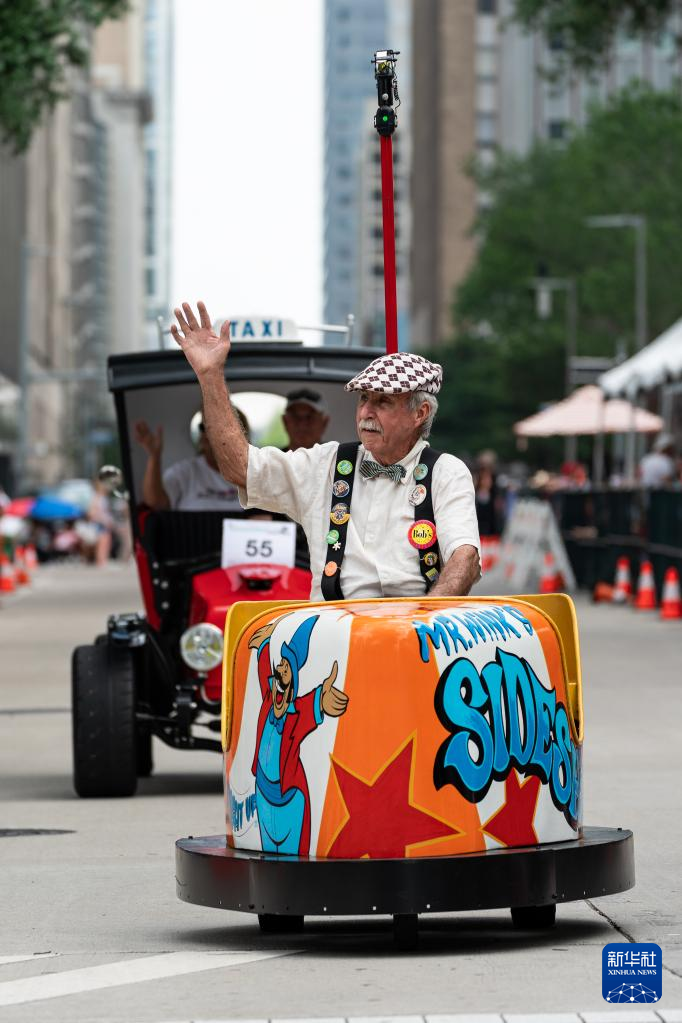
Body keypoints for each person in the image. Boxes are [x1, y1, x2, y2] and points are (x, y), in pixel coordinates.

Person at [169, 301, 480, 600]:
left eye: (383, 401)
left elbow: (464, 557)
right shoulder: (325, 464)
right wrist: (210, 376)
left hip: (414, 622)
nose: (366, 412)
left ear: (419, 414)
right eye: (363, 399)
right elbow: (240, 468)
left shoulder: (447, 472)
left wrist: (427, 617)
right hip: (335, 627)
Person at [134, 407, 248, 512]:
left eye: (221, 427)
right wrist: (154, 456)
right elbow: (155, 503)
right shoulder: (185, 471)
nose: (209, 432)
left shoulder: (250, 474)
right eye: (204, 427)